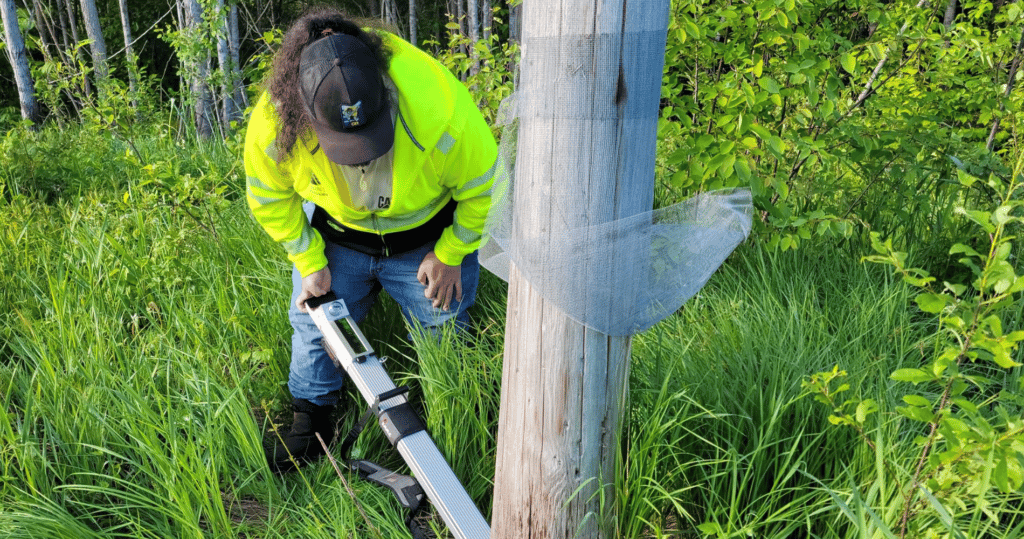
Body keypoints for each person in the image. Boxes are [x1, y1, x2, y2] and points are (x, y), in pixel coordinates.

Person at [244, 8, 498, 472]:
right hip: (340, 236)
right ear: (303, 111)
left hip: (426, 242)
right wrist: (308, 259)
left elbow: (483, 185)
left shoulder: (435, 101)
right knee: (315, 326)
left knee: (445, 332)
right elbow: (267, 197)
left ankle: (450, 418)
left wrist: (451, 253)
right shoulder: (275, 120)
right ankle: (313, 421)